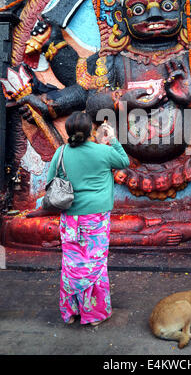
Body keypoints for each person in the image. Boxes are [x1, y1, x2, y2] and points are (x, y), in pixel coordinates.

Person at [46, 112, 130, 325]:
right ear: (91, 131)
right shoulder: (103, 151)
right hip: (97, 219)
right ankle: (94, 315)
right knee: (95, 264)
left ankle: (71, 311)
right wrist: (111, 138)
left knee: (71, 263)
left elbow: (50, 181)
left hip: (70, 218)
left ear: (69, 131)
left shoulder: (61, 152)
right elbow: (124, 161)